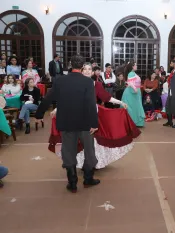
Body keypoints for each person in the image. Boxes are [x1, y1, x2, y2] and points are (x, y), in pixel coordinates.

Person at [49, 62, 140, 169]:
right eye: (85, 69)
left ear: (92, 72)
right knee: (79, 139)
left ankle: (93, 164)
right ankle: (81, 163)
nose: (87, 71)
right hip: (77, 116)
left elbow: (107, 97)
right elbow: (67, 100)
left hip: (93, 115)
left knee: (93, 140)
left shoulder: (96, 85)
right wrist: (56, 109)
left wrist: (120, 102)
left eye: (89, 69)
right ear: (81, 72)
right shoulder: (74, 84)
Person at [35, 55, 99, 193]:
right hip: (85, 122)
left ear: (70, 65)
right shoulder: (87, 82)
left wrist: (39, 114)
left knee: (68, 151)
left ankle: (73, 182)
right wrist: (94, 123)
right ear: (82, 67)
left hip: (66, 122)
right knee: (89, 150)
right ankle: (88, 179)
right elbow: (91, 104)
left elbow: (48, 98)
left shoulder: (60, 80)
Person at [121, 61, 145, 127]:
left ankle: (134, 122)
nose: (136, 66)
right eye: (135, 65)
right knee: (132, 107)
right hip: (132, 93)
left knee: (135, 107)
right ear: (132, 66)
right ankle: (132, 122)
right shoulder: (131, 73)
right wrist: (135, 89)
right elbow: (130, 83)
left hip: (134, 92)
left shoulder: (133, 73)